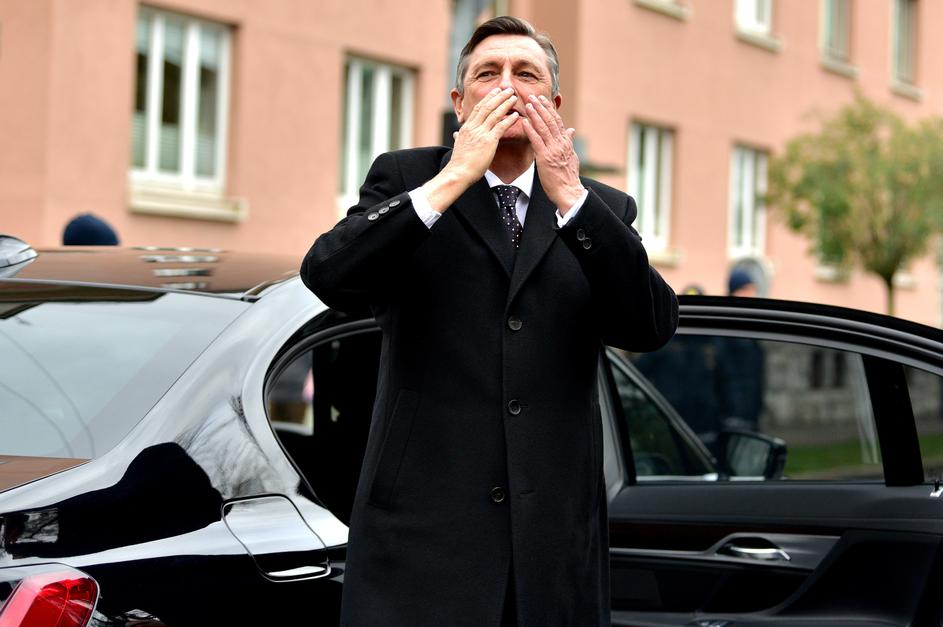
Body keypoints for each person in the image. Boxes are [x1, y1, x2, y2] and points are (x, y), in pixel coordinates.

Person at [301, 16, 678, 626]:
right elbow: (328, 275)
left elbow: (651, 326)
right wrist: (454, 176)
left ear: (554, 105)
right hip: (422, 541)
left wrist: (572, 198)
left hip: (550, 550)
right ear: (459, 103)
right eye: (487, 74)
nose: (506, 85)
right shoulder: (407, 179)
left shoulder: (600, 208)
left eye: (526, 74)